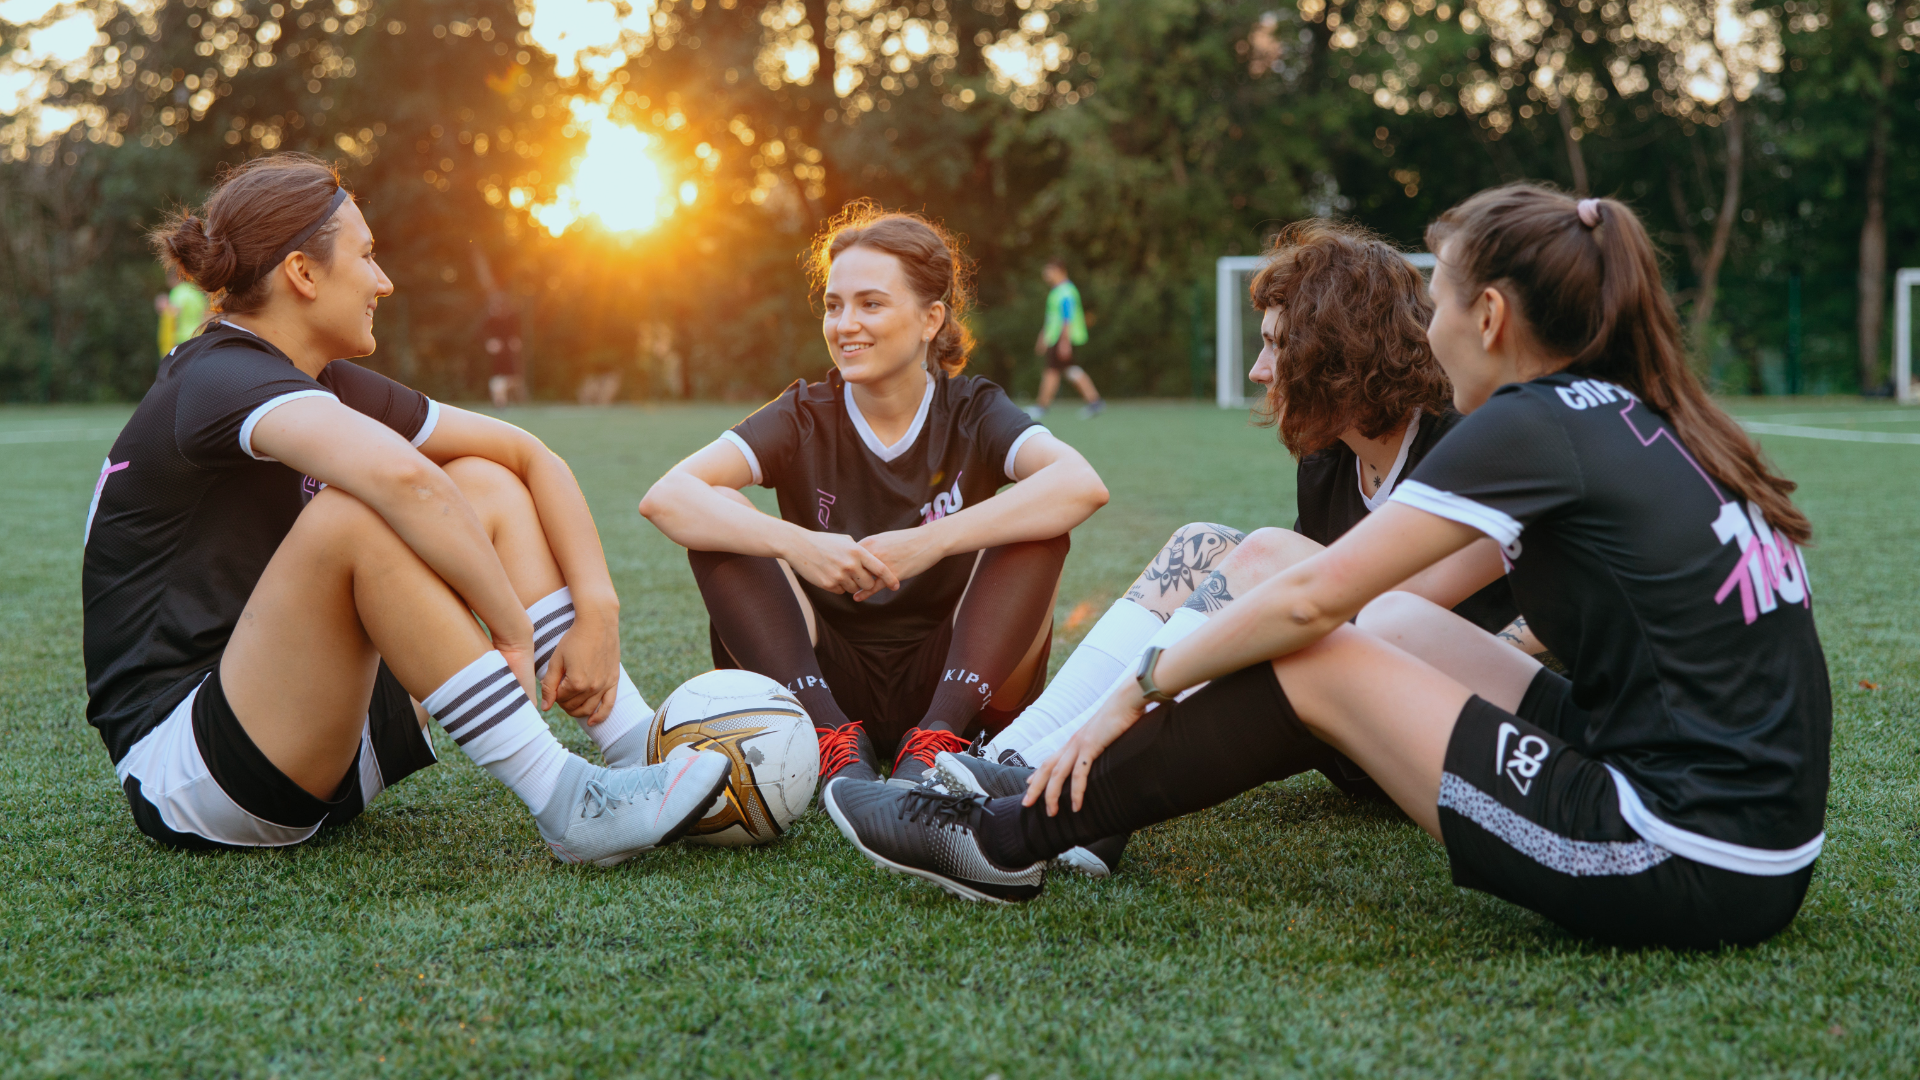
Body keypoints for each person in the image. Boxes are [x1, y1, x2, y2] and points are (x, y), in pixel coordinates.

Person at [825, 185, 1831, 954]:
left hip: (1688, 855)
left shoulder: (1530, 423)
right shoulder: (1631, 408)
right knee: (1378, 629)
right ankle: (1037, 791)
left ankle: (1006, 839)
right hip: (1725, 816)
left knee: (1318, 646)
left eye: (1437, 299)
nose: (1427, 329)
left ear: (1488, 317)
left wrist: (1135, 691)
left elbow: (1310, 598)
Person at [87, 154, 729, 862]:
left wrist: (599, 611)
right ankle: (570, 803)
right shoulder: (216, 377)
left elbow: (529, 456)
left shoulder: (320, 381)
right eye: (366, 255)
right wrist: (512, 634)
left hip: (321, 735)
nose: (383, 280)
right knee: (356, 514)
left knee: (484, 479)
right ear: (303, 273)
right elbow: (405, 482)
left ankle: (637, 744)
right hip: (195, 773)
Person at [973, 222, 1530, 809]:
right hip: (1342, 718)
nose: (1258, 371)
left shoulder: (1465, 445)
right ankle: (1008, 755)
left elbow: (1363, 611)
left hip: (1438, 736)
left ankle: (1058, 768)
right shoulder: (1328, 459)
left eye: (1276, 344)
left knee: (1270, 555)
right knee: (1202, 543)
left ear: (1339, 351)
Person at [639, 204, 1109, 792]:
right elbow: (667, 496)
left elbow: (1081, 484)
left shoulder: (973, 409)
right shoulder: (803, 413)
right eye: (834, 305)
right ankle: (830, 739)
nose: (845, 324)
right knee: (719, 512)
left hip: (960, 677)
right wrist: (799, 544)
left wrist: (930, 542)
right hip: (821, 680)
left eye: (871, 304)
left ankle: (939, 738)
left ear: (931, 319)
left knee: (1040, 520)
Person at [1027, 258, 1103, 420]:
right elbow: (1052, 318)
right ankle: (1095, 402)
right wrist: (1043, 336)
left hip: (1063, 339)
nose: (1046, 274)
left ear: (1059, 271)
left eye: (1049, 271)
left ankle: (1042, 407)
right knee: (1068, 371)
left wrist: (1064, 342)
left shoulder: (1066, 291)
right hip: (1057, 338)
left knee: (1052, 371)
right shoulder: (1057, 291)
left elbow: (1067, 318)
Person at [155, 265, 210, 359]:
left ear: (172, 278)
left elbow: (173, 314)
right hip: (198, 335)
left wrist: (164, 309)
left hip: (182, 338)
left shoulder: (178, 292)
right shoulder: (195, 292)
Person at [483, 290, 526, 406]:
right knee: (497, 380)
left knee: (513, 378)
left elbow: (517, 334)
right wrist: (489, 342)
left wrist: (516, 340)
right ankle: (500, 402)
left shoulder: (512, 317)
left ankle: (518, 400)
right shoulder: (490, 320)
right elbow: (484, 335)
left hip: (508, 353)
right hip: (497, 355)